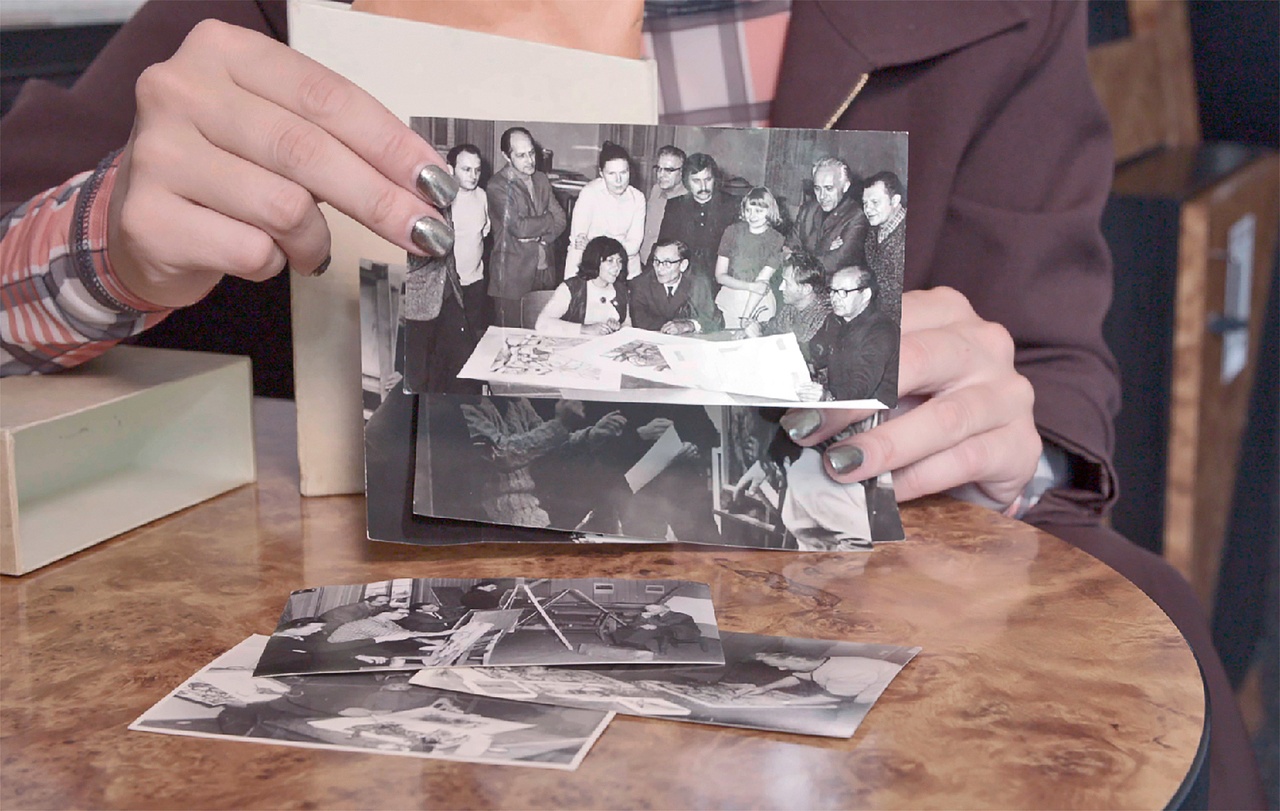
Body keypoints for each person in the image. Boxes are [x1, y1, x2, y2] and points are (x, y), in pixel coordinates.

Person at [0, 4, 1262, 804]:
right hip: (381, 688)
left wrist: (1004, 442)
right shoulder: (269, 12)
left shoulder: (986, 17)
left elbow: (1054, 390)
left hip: (848, 669)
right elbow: (22, 257)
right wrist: (106, 241)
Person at [460, 396, 626, 528]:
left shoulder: (518, 402)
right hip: (493, 516)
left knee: (608, 498)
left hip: (533, 506)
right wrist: (560, 424)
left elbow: (550, 446)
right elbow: (501, 454)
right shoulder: (467, 407)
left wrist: (591, 434)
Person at [487, 126, 567, 326]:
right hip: (512, 278)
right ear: (506, 156)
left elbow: (561, 219)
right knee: (510, 340)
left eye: (531, 153)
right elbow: (519, 228)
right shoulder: (497, 186)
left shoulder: (541, 179)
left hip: (544, 272)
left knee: (541, 336)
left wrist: (542, 236)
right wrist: (547, 219)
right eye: (521, 155)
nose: (530, 160)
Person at [807, 266, 899, 404]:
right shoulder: (834, 320)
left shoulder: (882, 331)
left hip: (872, 410)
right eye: (832, 291)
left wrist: (828, 398)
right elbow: (814, 355)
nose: (834, 298)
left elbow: (861, 387)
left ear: (865, 295)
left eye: (843, 292)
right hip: (839, 404)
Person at [565, 141, 646, 280]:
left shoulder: (638, 198)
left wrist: (593, 245)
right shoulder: (589, 193)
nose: (619, 180)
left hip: (626, 271)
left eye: (624, 172)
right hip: (591, 268)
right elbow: (578, 241)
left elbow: (634, 246)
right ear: (601, 173)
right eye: (611, 173)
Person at [655, 152, 738, 284]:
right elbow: (662, 246)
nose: (703, 187)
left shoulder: (732, 205)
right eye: (696, 181)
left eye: (708, 180)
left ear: (715, 179)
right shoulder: (675, 206)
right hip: (683, 280)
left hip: (720, 280)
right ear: (686, 181)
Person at [713, 186, 785, 329]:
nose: (752, 216)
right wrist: (750, 286)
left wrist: (746, 318)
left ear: (770, 211)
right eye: (748, 210)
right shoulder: (732, 232)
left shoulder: (776, 239)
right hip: (729, 299)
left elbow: (762, 283)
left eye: (759, 211)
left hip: (758, 302)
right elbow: (720, 276)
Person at [742, 249, 831, 364]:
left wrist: (758, 338)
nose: (780, 288)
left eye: (786, 283)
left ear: (806, 289)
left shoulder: (827, 319)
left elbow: (806, 361)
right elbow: (772, 327)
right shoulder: (791, 308)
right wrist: (754, 327)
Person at [784, 156, 867, 278]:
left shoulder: (857, 216)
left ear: (845, 186)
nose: (822, 196)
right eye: (817, 188)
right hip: (799, 282)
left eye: (829, 188)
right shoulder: (808, 210)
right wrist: (825, 250)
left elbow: (832, 263)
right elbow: (787, 250)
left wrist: (801, 255)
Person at [535, 236, 629, 336]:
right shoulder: (571, 288)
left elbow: (628, 326)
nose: (617, 267)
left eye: (619, 261)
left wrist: (618, 328)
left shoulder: (621, 290)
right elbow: (542, 324)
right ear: (595, 260)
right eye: (610, 261)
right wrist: (585, 329)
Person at [629, 238, 722, 335]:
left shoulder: (697, 283)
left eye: (667, 263)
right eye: (656, 261)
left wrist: (688, 325)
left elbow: (716, 320)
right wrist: (673, 326)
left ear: (683, 265)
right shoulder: (641, 283)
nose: (659, 268)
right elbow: (639, 322)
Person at [446, 143, 491, 334]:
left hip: (476, 282)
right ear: (450, 169)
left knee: (474, 337)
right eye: (466, 170)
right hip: (450, 285)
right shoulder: (444, 200)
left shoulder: (481, 196)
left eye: (477, 170)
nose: (473, 176)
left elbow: (484, 231)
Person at [739, 652, 900, 704]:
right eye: (779, 667)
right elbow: (799, 677)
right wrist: (765, 688)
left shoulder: (837, 671)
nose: (782, 669)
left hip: (897, 692)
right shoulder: (824, 664)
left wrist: (787, 703)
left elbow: (831, 696)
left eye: (797, 658)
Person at [859, 171, 906, 324]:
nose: (868, 209)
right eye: (865, 203)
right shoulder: (874, 230)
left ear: (895, 201)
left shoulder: (907, 236)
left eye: (875, 202)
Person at [639, 145, 686, 264]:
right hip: (643, 262)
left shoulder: (687, 200)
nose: (661, 174)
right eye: (658, 168)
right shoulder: (656, 190)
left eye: (668, 170)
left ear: (682, 172)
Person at [610, 603, 701, 654]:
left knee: (654, 629)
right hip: (664, 629)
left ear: (665, 609)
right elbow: (633, 625)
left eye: (654, 609)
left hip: (683, 632)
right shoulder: (655, 616)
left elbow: (665, 624)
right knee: (640, 628)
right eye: (649, 609)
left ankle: (637, 644)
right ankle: (621, 642)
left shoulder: (680, 616)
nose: (650, 611)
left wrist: (649, 621)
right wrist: (642, 620)